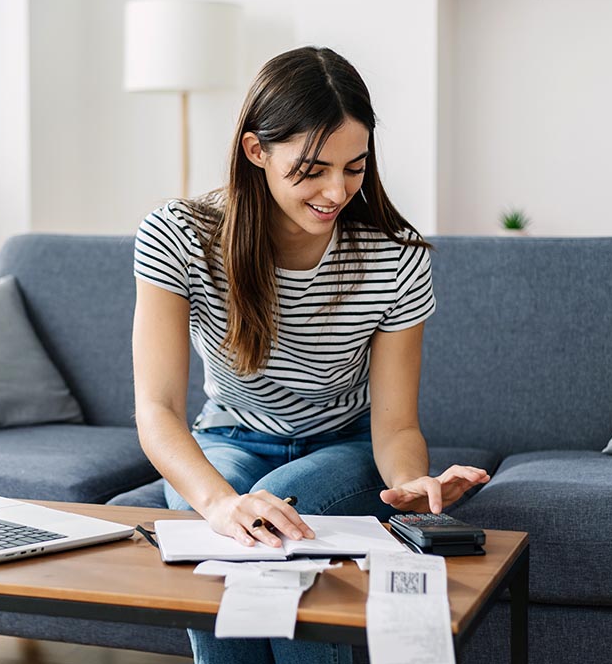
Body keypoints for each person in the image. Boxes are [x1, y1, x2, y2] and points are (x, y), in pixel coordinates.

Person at [131, 46, 491, 664]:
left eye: (355, 168)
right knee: (236, 530)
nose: (336, 191)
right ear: (256, 152)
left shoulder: (395, 258)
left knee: (276, 514)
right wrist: (217, 504)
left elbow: (397, 421)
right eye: (312, 169)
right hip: (226, 438)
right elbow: (157, 408)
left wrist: (411, 486)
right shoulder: (179, 236)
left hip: (342, 447)